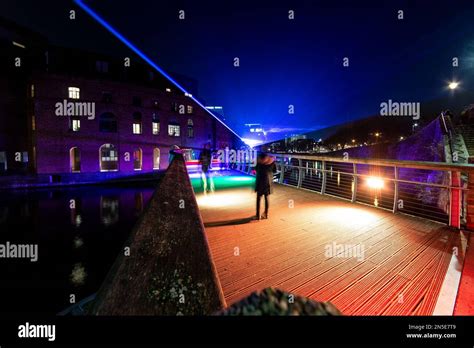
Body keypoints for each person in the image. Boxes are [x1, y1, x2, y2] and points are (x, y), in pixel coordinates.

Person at [255, 153, 276, 220]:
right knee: (266, 198)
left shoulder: (259, 162)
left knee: (258, 198)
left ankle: (258, 215)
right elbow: (274, 171)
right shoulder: (272, 162)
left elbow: (256, 169)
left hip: (260, 181)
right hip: (267, 182)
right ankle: (266, 214)